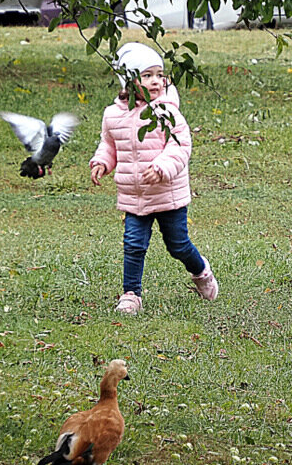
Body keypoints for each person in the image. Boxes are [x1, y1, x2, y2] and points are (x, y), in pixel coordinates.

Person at [90, 43, 217, 314]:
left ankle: (201, 272)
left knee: (178, 245)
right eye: (147, 75)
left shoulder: (166, 111)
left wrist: (161, 167)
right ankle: (131, 295)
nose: (157, 81)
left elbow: (180, 145)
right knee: (134, 244)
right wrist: (102, 162)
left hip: (168, 192)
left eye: (160, 74)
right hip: (133, 194)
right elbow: (109, 144)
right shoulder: (113, 115)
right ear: (129, 80)